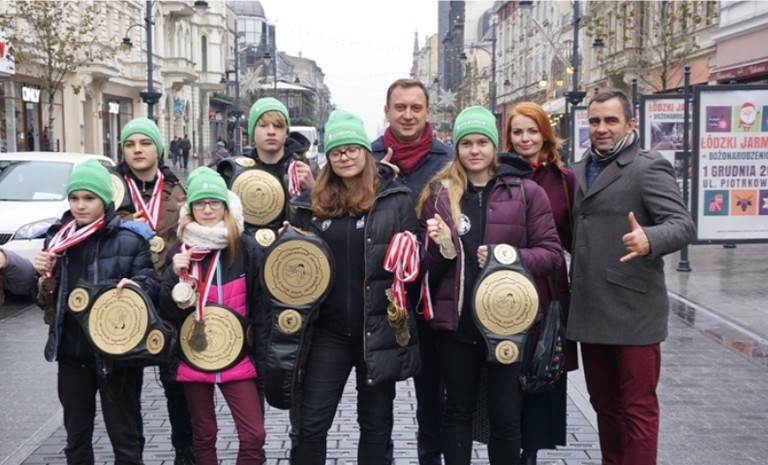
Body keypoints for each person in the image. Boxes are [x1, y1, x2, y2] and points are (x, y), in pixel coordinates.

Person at [416, 106, 562, 465]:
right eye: (466, 143)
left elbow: (551, 254)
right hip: (457, 324)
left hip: (508, 323)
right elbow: (426, 269)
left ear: (494, 146)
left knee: (506, 415)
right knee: (457, 411)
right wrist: (440, 249)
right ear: (457, 147)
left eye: (482, 142)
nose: (474, 150)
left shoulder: (526, 192)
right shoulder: (438, 194)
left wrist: (507, 256)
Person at [568, 88, 696, 465]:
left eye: (611, 120)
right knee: (603, 404)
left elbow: (682, 225)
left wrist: (649, 238)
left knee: (637, 409)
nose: (601, 128)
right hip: (591, 310)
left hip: (633, 311)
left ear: (630, 124)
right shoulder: (577, 170)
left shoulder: (647, 167)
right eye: (595, 121)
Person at [4, 159, 159, 464]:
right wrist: (43, 278)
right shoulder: (58, 239)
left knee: (125, 438)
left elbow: (150, 282)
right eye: (74, 198)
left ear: (105, 200)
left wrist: (137, 286)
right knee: (76, 439)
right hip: (72, 353)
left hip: (117, 354)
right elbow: (44, 301)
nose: (80, 205)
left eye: (89, 198)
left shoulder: (131, 238)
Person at [288, 109, 421, 464]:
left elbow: (416, 258)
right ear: (328, 158)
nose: (345, 157)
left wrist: (417, 247)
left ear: (365, 151)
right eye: (337, 152)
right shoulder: (309, 205)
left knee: (376, 425)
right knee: (311, 425)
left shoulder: (395, 198)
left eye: (352, 149)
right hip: (327, 332)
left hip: (377, 329)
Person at [157, 167, 267, 465]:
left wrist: (261, 356)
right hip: (195, 354)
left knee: (254, 435)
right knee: (204, 434)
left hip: (238, 355)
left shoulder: (245, 247)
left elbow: (261, 306)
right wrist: (174, 274)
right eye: (200, 203)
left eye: (214, 202)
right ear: (190, 208)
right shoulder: (181, 250)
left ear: (226, 205)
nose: (207, 209)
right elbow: (167, 311)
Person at [370, 78, 452, 465]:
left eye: (416, 108)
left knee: (433, 394)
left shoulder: (447, 160)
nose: (407, 115)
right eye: (400, 107)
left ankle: (430, 458)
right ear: (387, 111)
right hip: (380, 294)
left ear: (427, 112)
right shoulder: (367, 159)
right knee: (377, 394)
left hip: (432, 292)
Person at [116, 117, 195, 465]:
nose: (137, 150)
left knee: (177, 385)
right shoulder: (111, 191)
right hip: (126, 298)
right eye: (130, 144)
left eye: (145, 143)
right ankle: (131, 455)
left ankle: (185, 453)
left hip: (169, 298)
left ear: (158, 149)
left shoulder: (178, 189)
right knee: (124, 390)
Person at [504, 102, 576, 465]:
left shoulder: (563, 179)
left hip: (548, 289)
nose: (525, 139)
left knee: (541, 366)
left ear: (545, 134)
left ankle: (530, 452)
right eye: (517, 132)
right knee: (506, 371)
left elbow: (574, 237)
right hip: (504, 287)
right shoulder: (498, 175)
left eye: (532, 131)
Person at [218, 97, 314, 232]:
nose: (271, 131)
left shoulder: (306, 168)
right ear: (253, 131)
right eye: (263, 126)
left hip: (295, 243)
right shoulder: (236, 171)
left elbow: (329, 217)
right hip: (249, 243)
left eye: (278, 126)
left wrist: (313, 189)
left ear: (286, 132)